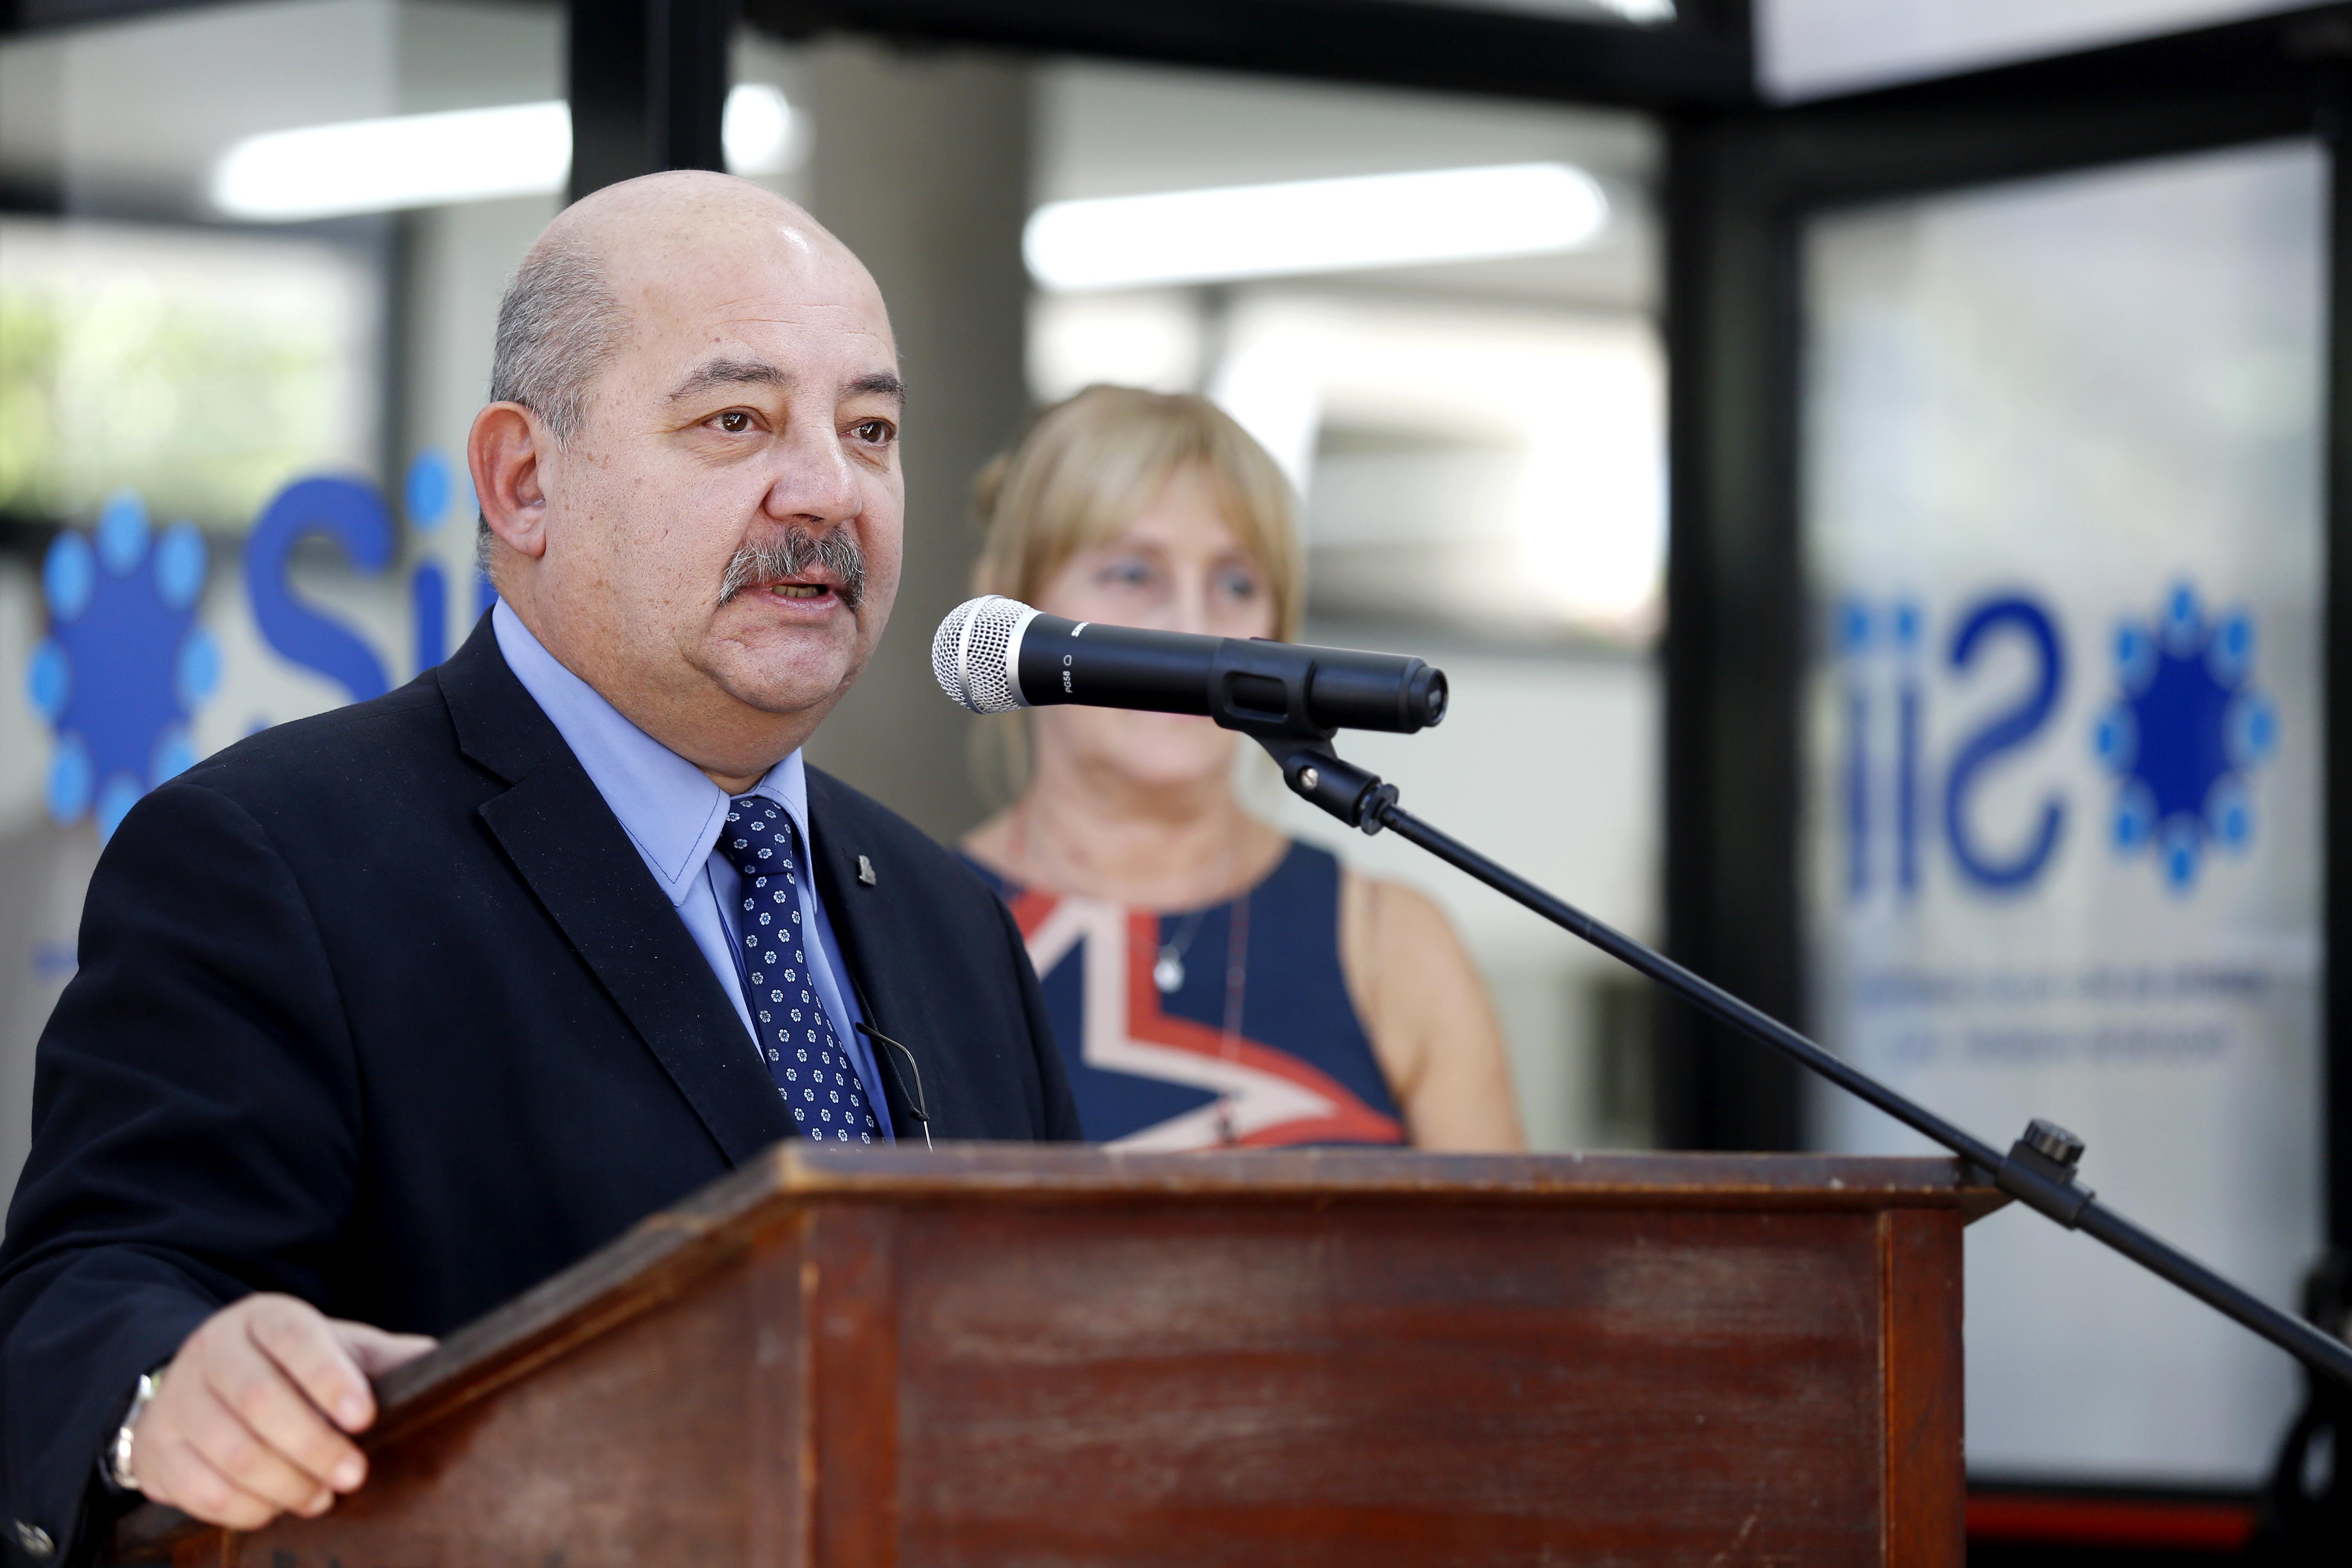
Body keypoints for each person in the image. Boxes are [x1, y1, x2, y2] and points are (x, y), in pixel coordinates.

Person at [0, 172, 1078, 1560]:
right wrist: (173, 1385)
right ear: (524, 479)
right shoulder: (280, 856)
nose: (826, 489)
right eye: (736, 420)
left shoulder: (950, 920)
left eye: (870, 430)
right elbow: (87, 1297)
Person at [960, 386, 1522, 1152]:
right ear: (1013, 611)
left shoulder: (1391, 946)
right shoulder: (907, 932)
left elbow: (1513, 1270)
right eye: (1133, 574)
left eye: (1235, 584)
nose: (1193, 628)